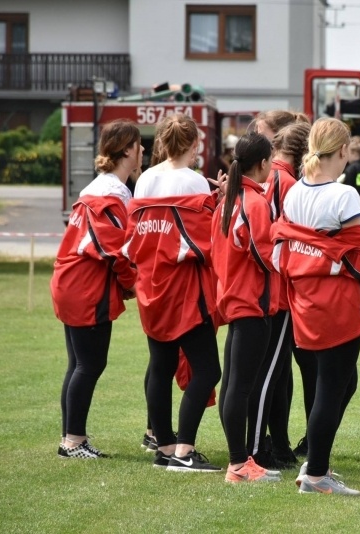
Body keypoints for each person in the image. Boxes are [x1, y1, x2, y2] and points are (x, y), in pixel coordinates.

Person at [272, 117, 360, 496]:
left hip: (305, 300)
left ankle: (317, 460)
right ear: (344, 151)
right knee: (332, 388)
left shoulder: (294, 192)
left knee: (343, 382)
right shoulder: (344, 195)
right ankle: (316, 473)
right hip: (338, 303)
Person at [124, 113, 222, 472]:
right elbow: (207, 232)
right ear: (195, 143)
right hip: (183, 285)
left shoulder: (146, 178)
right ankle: (183, 450)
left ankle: (164, 446)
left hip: (150, 280)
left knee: (161, 366)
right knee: (209, 370)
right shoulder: (194, 183)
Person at [51, 120, 141, 458]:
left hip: (71, 283)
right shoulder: (110, 196)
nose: (143, 151)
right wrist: (132, 284)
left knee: (78, 364)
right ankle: (72, 441)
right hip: (85, 288)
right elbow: (113, 251)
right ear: (128, 150)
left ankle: (71, 438)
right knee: (89, 364)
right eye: (139, 146)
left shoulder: (96, 189)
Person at [211, 132, 283, 483]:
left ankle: (238, 462)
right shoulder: (253, 202)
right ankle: (239, 464)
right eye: (271, 159)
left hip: (235, 300)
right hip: (251, 304)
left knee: (233, 386)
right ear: (263, 163)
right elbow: (265, 255)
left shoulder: (231, 199)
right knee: (240, 387)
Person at [249, 122, 312, 469]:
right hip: (278, 291)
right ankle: (260, 449)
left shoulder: (266, 175)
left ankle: (274, 445)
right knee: (272, 374)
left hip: (256, 289)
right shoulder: (288, 183)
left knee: (267, 373)